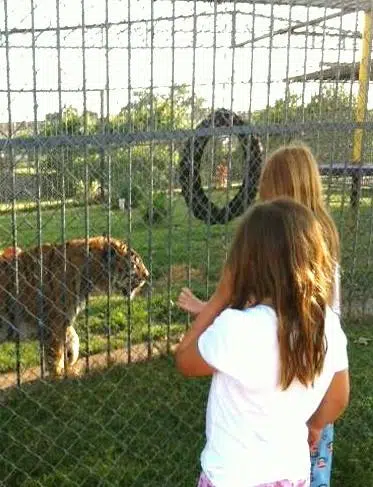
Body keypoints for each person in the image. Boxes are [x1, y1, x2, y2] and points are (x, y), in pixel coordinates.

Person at [177, 144, 341, 486]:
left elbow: (185, 359)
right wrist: (313, 426)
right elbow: (339, 395)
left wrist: (222, 295)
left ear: (248, 262)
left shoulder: (237, 329)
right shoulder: (329, 326)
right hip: (292, 477)